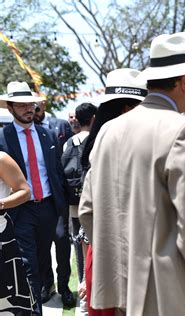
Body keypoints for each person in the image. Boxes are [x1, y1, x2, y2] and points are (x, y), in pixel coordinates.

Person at [79, 33, 185, 315]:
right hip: (168, 294)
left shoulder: (109, 129)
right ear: (184, 81)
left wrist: (117, 263)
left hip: (117, 288)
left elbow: (88, 210)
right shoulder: (184, 130)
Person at [77, 69, 147, 316]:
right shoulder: (124, 145)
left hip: (102, 251)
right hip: (124, 254)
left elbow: (87, 214)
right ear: (128, 109)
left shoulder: (97, 142)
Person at [0, 81, 68, 315]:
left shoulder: (47, 134)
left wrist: (62, 207)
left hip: (49, 207)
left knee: (42, 262)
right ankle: (34, 311)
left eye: (31, 104)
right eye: (22, 105)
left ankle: (36, 301)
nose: (29, 109)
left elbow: (56, 171)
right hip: (21, 209)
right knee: (27, 265)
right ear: (10, 108)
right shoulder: (3, 137)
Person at [34, 99, 75, 306]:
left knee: (61, 240)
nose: (33, 108)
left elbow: (69, 157)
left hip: (58, 197)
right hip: (35, 199)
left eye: (36, 104)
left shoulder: (59, 124)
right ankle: (46, 284)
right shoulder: (25, 130)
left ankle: (64, 285)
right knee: (41, 245)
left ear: (42, 103)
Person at [62, 102, 97, 312]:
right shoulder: (96, 140)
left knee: (79, 246)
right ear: (93, 118)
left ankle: (83, 285)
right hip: (91, 203)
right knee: (91, 247)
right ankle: (88, 288)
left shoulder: (68, 142)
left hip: (74, 205)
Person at [0, 151, 32, 314]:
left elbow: (25, 191)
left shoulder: (1, 159)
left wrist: (1, 203)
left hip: (1, 238)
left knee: (7, 300)